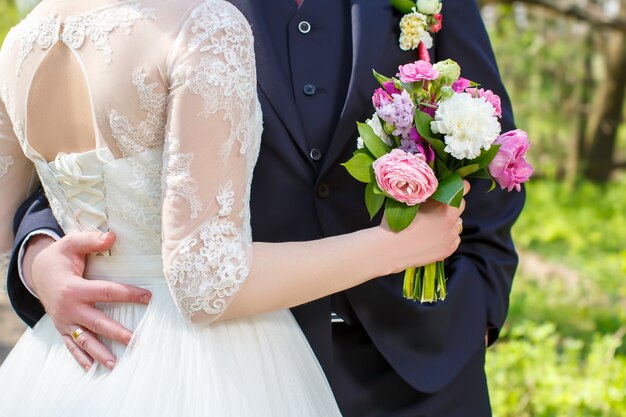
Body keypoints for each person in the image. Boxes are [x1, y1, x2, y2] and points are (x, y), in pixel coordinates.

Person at [5, 0, 525, 416]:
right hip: (230, 365)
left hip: (423, 362)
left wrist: (479, 307)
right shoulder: (180, 16)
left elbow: (488, 135)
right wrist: (39, 255)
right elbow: (79, 168)